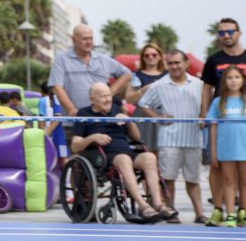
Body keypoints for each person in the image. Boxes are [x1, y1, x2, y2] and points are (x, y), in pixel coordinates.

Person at [199, 17, 246, 226]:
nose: (226, 35)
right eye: (222, 32)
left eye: (230, 31)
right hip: (220, 121)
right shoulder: (213, 60)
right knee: (217, 167)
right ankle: (218, 209)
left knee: (244, 172)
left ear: (238, 33)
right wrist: (204, 116)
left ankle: (243, 211)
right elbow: (206, 89)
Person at [69, 82, 174, 223]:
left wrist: (129, 121)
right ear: (92, 99)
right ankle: (143, 205)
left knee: (149, 157)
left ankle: (158, 203)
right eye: (103, 96)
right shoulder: (84, 114)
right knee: (124, 159)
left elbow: (136, 138)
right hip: (101, 155)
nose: (108, 99)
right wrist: (92, 137)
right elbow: (75, 146)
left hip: (126, 151)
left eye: (109, 95)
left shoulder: (117, 110)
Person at [137, 49, 205, 224]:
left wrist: (203, 117)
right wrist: (157, 116)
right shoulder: (159, 85)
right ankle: (171, 212)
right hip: (169, 139)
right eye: (171, 63)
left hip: (194, 139)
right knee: (168, 179)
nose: (174, 66)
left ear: (186, 63)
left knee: (193, 180)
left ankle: (199, 214)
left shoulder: (199, 84)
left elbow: (208, 104)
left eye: (177, 62)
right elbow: (143, 103)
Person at [206, 65, 246, 228]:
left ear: (243, 80)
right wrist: (213, 150)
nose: (233, 81)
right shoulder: (218, 102)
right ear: (224, 81)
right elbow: (213, 127)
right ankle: (230, 214)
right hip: (226, 148)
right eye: (230, 78)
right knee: (228, 180)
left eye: (237, 77)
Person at [49, 24, 132, 118]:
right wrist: (71, 110)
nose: (89, 42)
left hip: (102, 120)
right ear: (74, 39)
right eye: (85, 39)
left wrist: (109, 93)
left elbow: (127, 74)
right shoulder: (61, 59)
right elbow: (57, 87)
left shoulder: (103, 59)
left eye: (91, 38)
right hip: (74, 121)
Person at [126, 43, 168, 156]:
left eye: (154, 55)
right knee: (144, 150)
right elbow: (128, 98)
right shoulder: (136, 75)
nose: (150, 57)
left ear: (160, 56)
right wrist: (144, 89)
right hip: (142, 116)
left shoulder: (168, 75)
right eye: (147, 55)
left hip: (163, 114)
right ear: (143, 58)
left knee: (163, 150)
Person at [36, 82, 68, 168]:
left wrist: (44, 133)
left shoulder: (44, 100)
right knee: (63, 158)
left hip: (54, 133)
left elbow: (42, 119)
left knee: (63, 159)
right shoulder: (60, 98)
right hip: (58, 132)